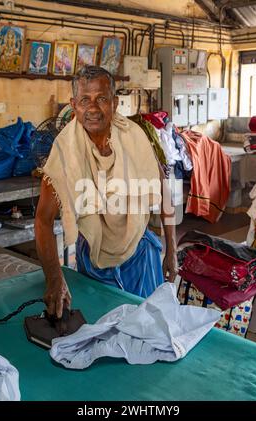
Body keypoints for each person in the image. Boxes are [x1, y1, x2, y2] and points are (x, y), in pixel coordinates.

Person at [35, 65, 178, 318]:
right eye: (84, 100)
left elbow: (163, 190)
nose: (92, 108)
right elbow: (43, 220)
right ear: (73, 104)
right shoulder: (64, 152)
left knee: (149, 328)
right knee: (102, 332)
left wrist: (172, 252)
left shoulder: (136, 138)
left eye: (101, 99)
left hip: (141, 254)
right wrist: (54, 278)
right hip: (94, 258)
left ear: (115, 102)